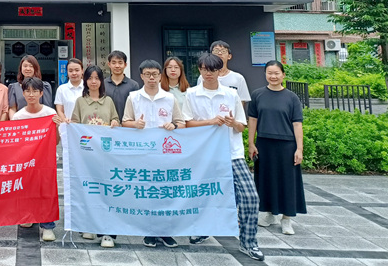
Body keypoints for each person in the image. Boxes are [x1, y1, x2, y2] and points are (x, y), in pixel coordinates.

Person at [184, 53, 264, 262]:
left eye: (212, 70)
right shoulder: (192, 94)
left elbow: (241, 126)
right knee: (204, 194)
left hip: (232, 153)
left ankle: (248, 242)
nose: (208, 74)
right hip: (204, 154)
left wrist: (232, 123)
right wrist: (210, 121)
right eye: (204, 69)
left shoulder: (230, 94)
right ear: (199, 70)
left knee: (250, 197)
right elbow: (187, 123)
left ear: (220, 71)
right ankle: (203, 229)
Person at [122, 60, 185, 249]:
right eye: (148, 74)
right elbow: (125, 121)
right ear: (141, 76)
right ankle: (149, 232)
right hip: (141, 152)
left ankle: (165, 232)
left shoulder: (169, 98)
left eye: (155, 74)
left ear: (160, 76)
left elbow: (181, 123)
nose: (151, 78)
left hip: (164, 153)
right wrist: (135, 124)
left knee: (165, 192)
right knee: (147, 193)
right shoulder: (134, 97)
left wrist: (173, 125)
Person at [248, 60, 306, 236]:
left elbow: (297, 124)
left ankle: (286, 218)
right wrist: (251, 143)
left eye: (276, 73)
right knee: (266, 180)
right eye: (269, 73)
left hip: (287, 145)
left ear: (283, 75)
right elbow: (253, 120)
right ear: (265, 74)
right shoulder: (257, 95)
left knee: (288, 182)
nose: (273, 76)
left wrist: (299, 149)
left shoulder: (291, 97)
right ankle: (269, 214)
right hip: (264, 144)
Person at [69, 65, 121, 247]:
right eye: (90, 78)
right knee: (88, 190)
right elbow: (75, 124)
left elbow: (116, 119)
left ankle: (107, 233)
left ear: (101, 81)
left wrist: (114, 122)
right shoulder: (80, 102)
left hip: (106, 154)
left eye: (97, 78)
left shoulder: (108, 101)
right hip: (86, 155)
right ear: (85, 81)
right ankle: (88, 226)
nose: (93, 81)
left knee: (107, 191)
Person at [12, 76, 60, 242]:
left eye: (35, 91)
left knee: (46, 191)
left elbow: (56, 142)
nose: (31, 94)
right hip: (26, 162)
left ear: (41, 93)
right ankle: (29, 216)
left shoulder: (50, 113)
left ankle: (47, 225)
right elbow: (15, 144)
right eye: (27, 91)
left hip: (46, 161)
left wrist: (56, 127)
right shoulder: (18, 117)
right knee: (26, 189)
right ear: (23, 93)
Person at [200, 41, 251, 109]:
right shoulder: (203, 77)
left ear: (229, 56)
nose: (219, 53)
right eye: (216, 51)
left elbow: (241, 102)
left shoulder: (238, 78)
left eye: (223, 51)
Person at [104, 50, 140, 121]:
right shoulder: (103, 84)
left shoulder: (133, 85)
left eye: (120, 63)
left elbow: (136, 107)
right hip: (107, 124)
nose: (117, 66)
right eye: (114, 63)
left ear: (125, 65)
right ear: (109, 64)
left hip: (127, 125)